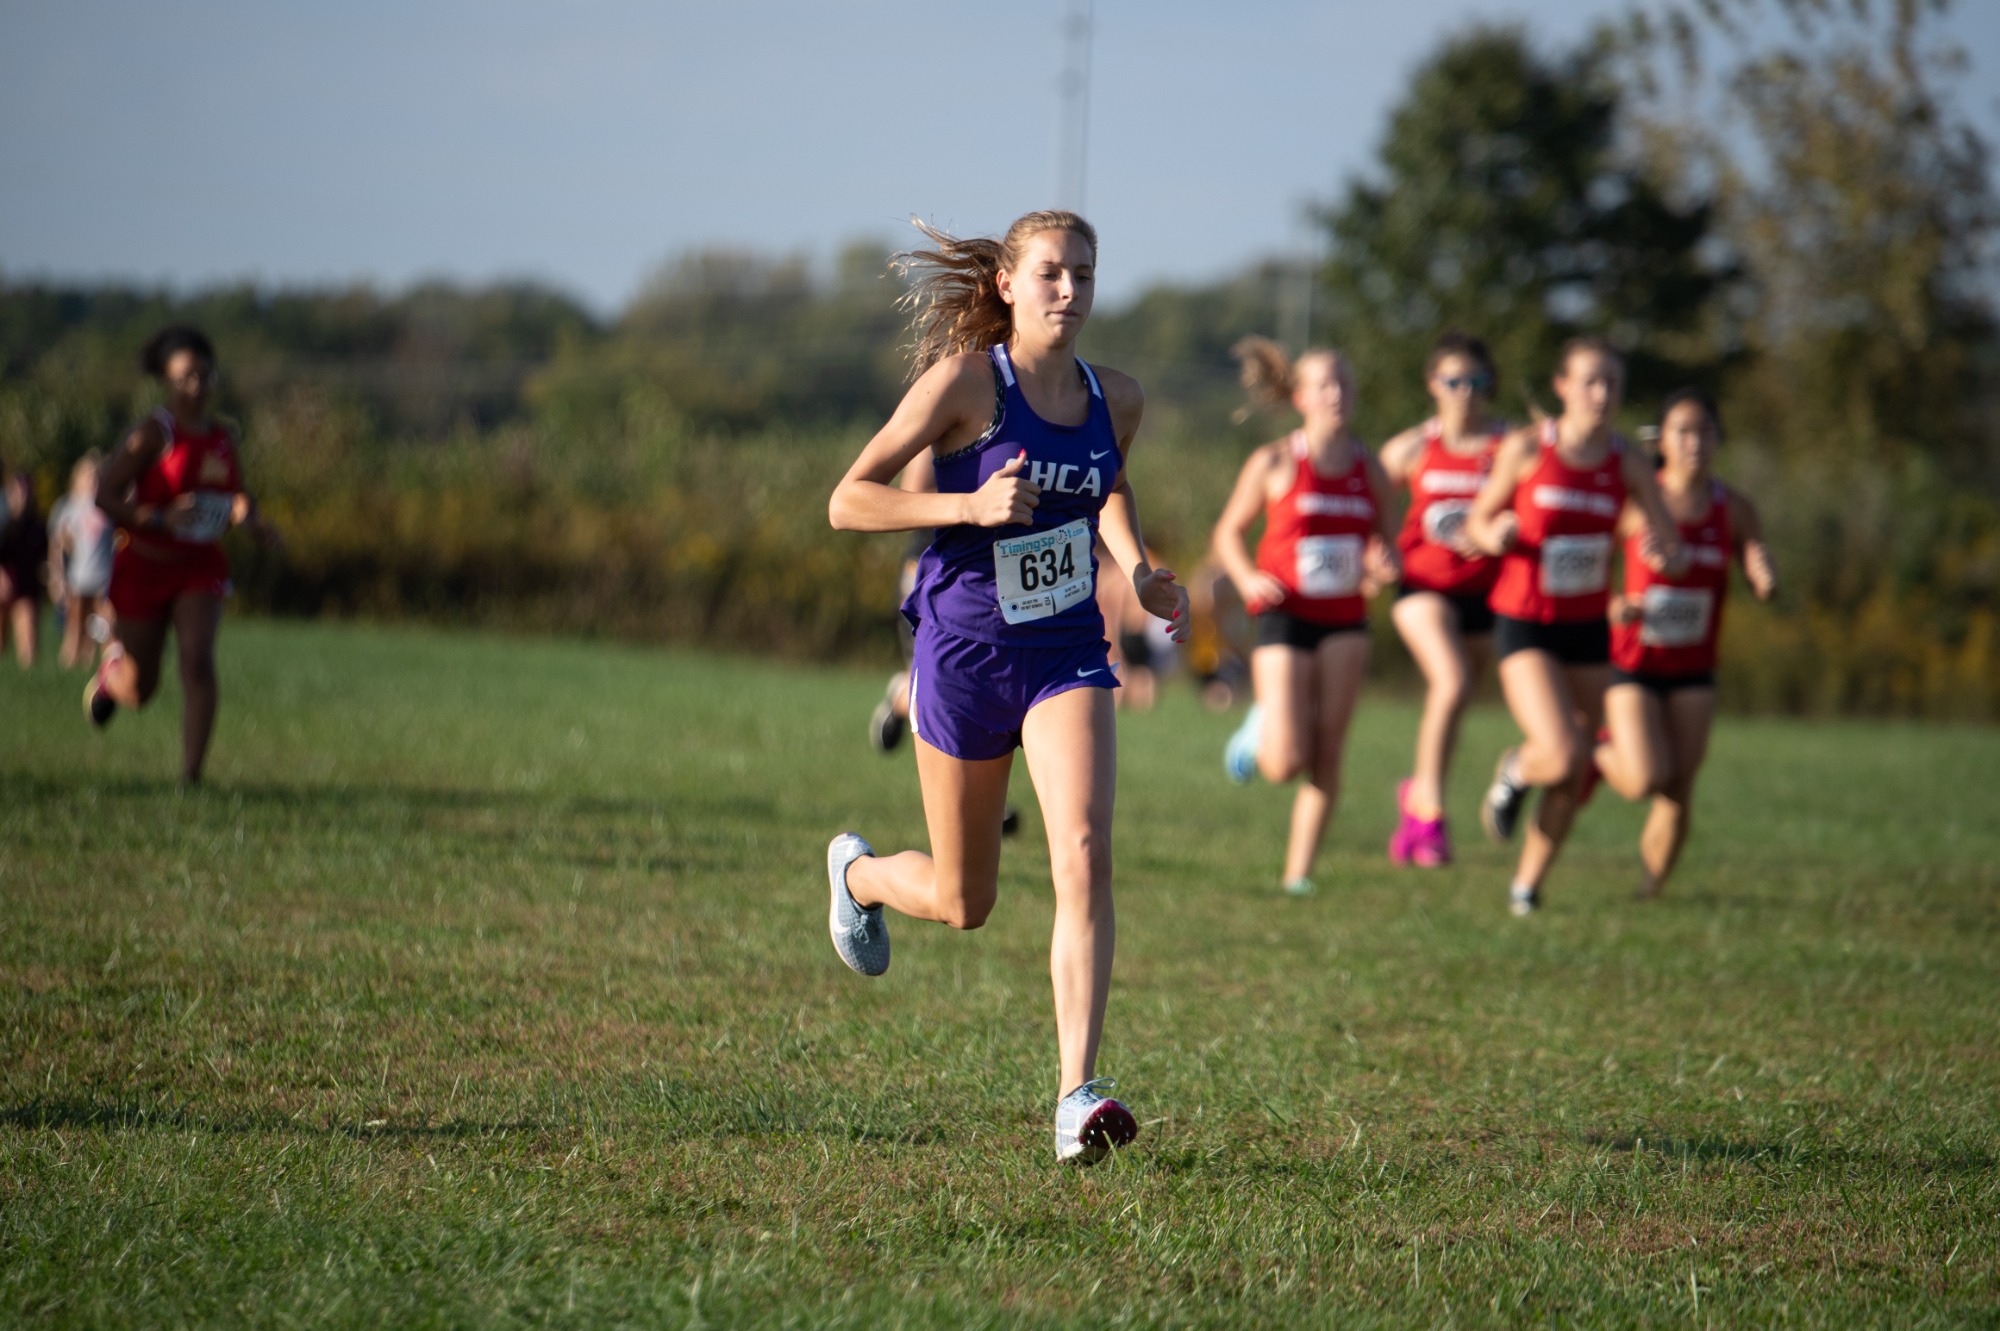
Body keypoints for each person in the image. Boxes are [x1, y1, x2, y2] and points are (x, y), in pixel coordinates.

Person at [824, 211, 1189, 1164]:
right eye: (1051, 275)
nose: (1070, 291)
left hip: (1064, 650)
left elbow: (1105, 484)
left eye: (1084, 275)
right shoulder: (962, 386)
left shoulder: (1119, 397)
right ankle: (857, 874)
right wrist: (967, 504)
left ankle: (1078, 1093)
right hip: (964, 654)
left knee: (1083, 848)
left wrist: (1140, 569)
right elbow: (848, 498)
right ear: (1009, 286)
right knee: (963, 899)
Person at [1465, 338, 1684, 915]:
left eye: (1612, 383)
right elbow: (1477, 520)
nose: (1602, 394)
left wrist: (1664, 554)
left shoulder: (1628, 461)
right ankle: (1515, 768)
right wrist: (1498, 535)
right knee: (1559, 753)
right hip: (1525, 621)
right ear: (1563, 386)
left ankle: (1526, 887)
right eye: (1590, 381)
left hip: (1587, 627)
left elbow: (1669, 543)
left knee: (1578, 764)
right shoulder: (1528, 448)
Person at [1211, 339, 1399, 896]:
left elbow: (1385, 540)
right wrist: (1247, 578)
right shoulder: (1274, 461)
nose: (1336, 394)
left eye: (1344, 383)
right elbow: (1226, 533)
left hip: (1345, 619)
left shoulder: (1371, 468)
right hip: (1284, 615)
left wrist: (1383, 562)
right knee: (1285, 763)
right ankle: (1258, 731)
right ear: (1300, 397)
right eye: (1323, 384)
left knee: (1328, 750)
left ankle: (1299, 874)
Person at [1594, 389, 1777, 897]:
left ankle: (1650, 891)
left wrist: (1764, 574)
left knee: (1679, 787)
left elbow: (1757, 557)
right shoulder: (1635, 502)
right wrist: (1613, 605)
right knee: (1644, 779)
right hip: (1633, 660)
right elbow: (1590, 566)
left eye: (1705, 432)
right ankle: (1594, 755)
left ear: (1718, 440)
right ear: (1663, 439)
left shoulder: (1734, 508)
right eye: (1683, 431)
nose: (1694, 442)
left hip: (1694, 666)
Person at [86, 325, 279, 786]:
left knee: (197, 661)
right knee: (141, 689)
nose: (198, 385)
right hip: (145, 564)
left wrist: (250, 518)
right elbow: (105, 495)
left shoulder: (222, 438)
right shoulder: (152, 434)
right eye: (187, 377)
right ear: (168, 382)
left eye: (205, 375)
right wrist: (157, 519)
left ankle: (191, 776)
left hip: (199, 565)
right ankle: (112, 674)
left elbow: (236, 494)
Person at [1376, 332, 1509, 867]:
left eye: (1476, 382)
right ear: (1434, 384)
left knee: (1455, 702)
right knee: (1450, 680)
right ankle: (1429, 816)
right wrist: (1374, 553)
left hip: (1486, 593)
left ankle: (1416, 799)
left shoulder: (1509, 447)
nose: (1465, 393)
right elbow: (1369, 505)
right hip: (1422, 587)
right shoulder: (1411, 449)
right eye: (1454, 381)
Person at [48, 452, 118, 669]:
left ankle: (104, 670)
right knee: (75, 628)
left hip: (104, 578)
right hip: (78, 578)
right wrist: (57, 577)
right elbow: (57, 545)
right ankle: (69, 668)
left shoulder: (107, 504)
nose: (92, 479)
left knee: (104, 628)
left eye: (96, 475)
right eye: (88, 475)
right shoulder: (69, 506)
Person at [0, 471, 49, 668]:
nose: (21, 495)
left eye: (25, 490)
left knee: (28, 647)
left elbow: (44, 559)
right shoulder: (3, 523)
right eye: (17, 491)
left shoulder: (36, 526)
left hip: (26, 587)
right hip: (3, 587)